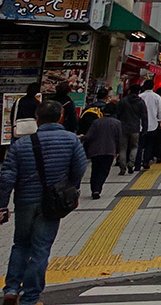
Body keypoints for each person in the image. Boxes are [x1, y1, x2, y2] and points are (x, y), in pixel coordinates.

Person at [0, 99, 86, 305]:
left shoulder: (21, 144)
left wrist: (2, 204)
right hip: (52, 204)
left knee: (20, 244)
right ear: (61, 117)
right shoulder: (71, 140)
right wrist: (68, 189)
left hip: (25, 202)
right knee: (40, 249)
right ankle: (31, 297)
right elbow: (79, 169)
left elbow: (6, 177)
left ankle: (11, 288)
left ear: (37, 119)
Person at [82, 102, 124, 200]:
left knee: (95, 170)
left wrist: (82, 137)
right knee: (104, 171)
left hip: (95, 150)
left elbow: (89, 136)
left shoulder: (96, 122)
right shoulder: (117, 123)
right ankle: (97, 189)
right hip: (109, 150)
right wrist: (117, 150)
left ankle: (94, 189)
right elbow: (119, 139)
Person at [116, 86, 145, 175]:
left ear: (129, 91)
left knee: (123, 148)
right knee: (134, 146)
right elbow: (144, 116)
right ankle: (131, 164)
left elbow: (118, 113)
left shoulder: (123, 101)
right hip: (135, 127)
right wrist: (145, 128)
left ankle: (122, 167)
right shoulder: (140, 102)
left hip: (123, 127)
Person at [138, 80, 161, 169]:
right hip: (153, 124)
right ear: (153, 86)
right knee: (150, 144)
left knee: (140, 144)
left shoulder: (140, 96)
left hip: (140, 124)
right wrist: (160, 120)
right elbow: (160, 111)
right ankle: (146, 161)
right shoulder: (157, 97)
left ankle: (137, 163)